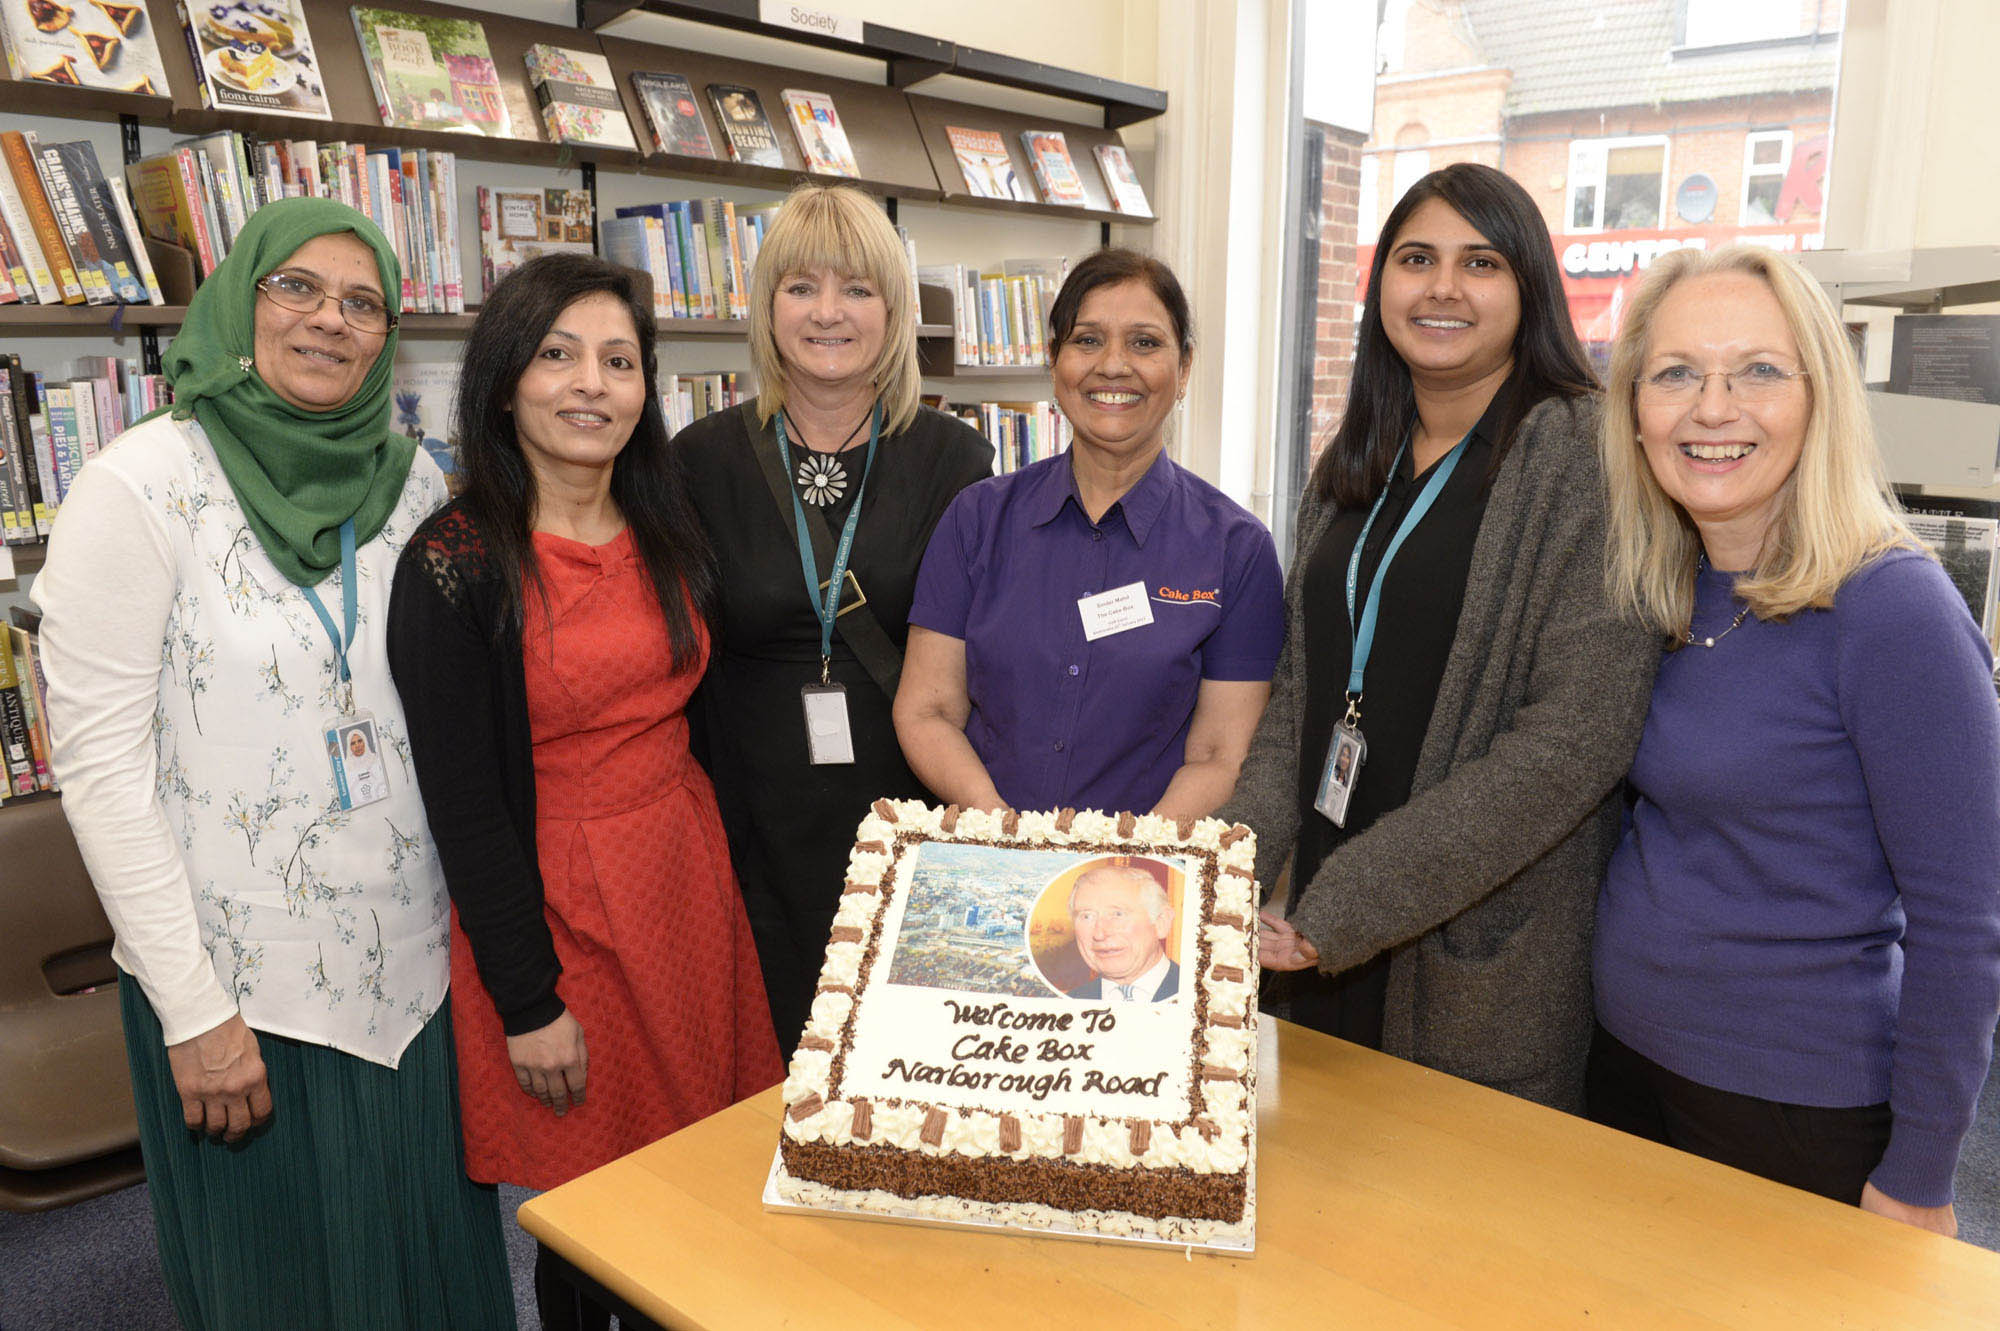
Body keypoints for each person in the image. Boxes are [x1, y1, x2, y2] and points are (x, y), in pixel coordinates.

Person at [32, 198, 514, 1330]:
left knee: (433, 1272)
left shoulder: (413, 484)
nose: (328, 321)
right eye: (294, 287)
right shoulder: (137, 485)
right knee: (284, 1288)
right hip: (246, 992)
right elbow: (102, 773)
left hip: (417, 978)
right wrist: (194, 1011)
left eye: (361, 302)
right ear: (238, 299)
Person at [387, 254, 783, 1326]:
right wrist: (528, 998)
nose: (588, 385)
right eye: (556, 356)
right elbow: (462, 804)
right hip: (559, 912)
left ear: (646, 385)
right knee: (594, 1211)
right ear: (505, 378)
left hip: (684, 886)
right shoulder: (454, 560)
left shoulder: (669, 527)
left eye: (617, 360)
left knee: (702, 1178)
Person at [1589, 244, 2000, 1234]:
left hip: (1793, 1114)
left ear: (1818, 399)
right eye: (1675, 372)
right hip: (1623, 1074)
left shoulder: (1890, 607)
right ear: (1634, 412)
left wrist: (1918, 1175)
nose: (1711, 407)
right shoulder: (1666, 587)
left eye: (1757, 371)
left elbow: (1965, 923)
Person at [1227, 163, 1657, 1110]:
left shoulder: (1584, 454)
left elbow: (1572, 743)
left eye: (1482, 261)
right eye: (1417, 258)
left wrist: (1342, 905)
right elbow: (1297, 693)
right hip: (1303, 927)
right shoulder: (1355, 456)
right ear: (1381, 282)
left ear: (1530, 287)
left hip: (1459, 944)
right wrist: (1236, 870)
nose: (1444, 287)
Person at [675, 184, 994, 1058]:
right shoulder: (697, 461)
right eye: (801, 286)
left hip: (903, 813)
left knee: (897, 1063)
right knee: (763, 1073)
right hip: (748, 822)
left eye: (856, 289)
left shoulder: (956, 460)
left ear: (892, 312)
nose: (827, 312)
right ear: (767, 304)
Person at [896, 249, 1284, 819]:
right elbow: (927, 711)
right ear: (1054, 362)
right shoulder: (976, 519)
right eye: (1087, 340)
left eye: (1145, 343)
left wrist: (1129, 860)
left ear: (1186, 368)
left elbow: (1219, 754)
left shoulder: (1238, 550)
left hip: (1142, 881)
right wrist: (1001, 829)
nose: (1113, 366)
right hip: (989, 858)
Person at [1065, 863, 1179, 1002]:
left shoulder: (1202, 992)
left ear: (1161, 922)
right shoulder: (1066, 1003)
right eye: (1087, 916)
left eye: (1117, 914)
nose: (1099, 934)